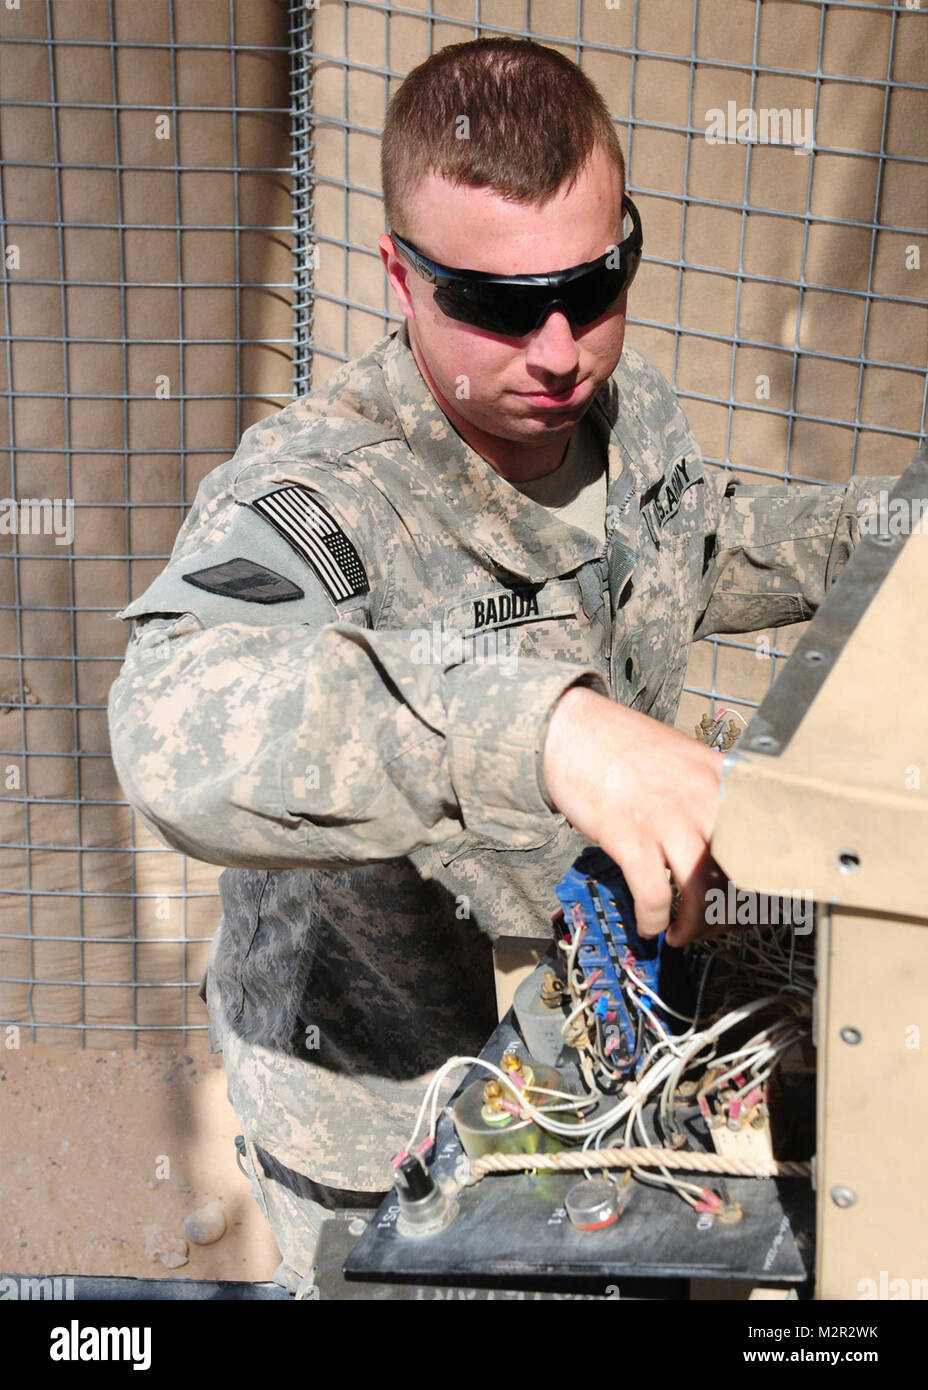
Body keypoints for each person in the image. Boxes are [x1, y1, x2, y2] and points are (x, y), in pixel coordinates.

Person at [107, 37, 894, 1294]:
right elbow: (174, 722)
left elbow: (704, 540)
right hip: (394, 1136)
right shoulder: (320, 495)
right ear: (398, 277)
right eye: (496, 303)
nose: (558, 347)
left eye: (596, 282)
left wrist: (892, 528)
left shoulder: (621, 415)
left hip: (606, 1055)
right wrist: (546, 729)